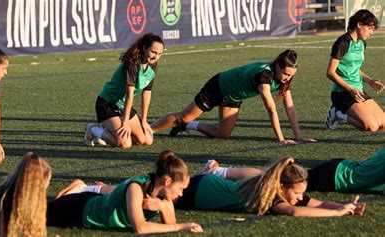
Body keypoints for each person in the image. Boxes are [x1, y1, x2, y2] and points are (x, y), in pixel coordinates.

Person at [150, 50, 316, 144]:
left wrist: (298, 137)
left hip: (233, 97)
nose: (288, 78)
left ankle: (187, 126)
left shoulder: (283, 80)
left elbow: (290, 109)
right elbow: (271, 110)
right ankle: (148, 130)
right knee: (183, 116)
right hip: (218, 87)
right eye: (286, 74)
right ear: (277, 66)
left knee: (223, 134)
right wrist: (281, 139)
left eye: (291, 75)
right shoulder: (264, 75)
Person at [46, 150, 203, 234]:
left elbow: (170, 224)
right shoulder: (136, 188)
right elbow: (140, 228)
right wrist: (181, 226)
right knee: (30, 214)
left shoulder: (165, 195)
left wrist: (162, 207)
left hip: (90, 204)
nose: (181, 194)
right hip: (79, 210)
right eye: (181, 188)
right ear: (167, 181)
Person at [176, 157, 365, 217]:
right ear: (282, 186)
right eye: (297, 192)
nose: (300, 197)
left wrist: (344, 207)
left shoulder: (283, 191)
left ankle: (216, 170)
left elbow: (315, 203)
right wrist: (336, 213)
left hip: (208, 185)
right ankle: (216, 170)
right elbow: (293, 212)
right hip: (199, 192)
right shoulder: (273, 196)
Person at [84, 33, 164, 148]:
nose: (155, 57)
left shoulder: (153, 66)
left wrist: (144, 120)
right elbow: (129, 95)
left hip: (123, 105)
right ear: (145, 48)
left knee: (146, 140)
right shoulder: (133, 64)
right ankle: (93, 130)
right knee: (124, 143)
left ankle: (112, 129)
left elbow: (147, 93)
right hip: (107, 103)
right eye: (153, 52)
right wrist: (126, 122)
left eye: (159, 54)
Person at [203, 145, 385, 195]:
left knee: (276, 177)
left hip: (340, 170)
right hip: (336, 176)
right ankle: (217, 171)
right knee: (274, 179)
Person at [324, 9, 384, 131]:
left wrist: (370, 81)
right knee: (371, 126)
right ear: (359, 24)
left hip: (358, 91)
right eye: (370, 28)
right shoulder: (342, 42)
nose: (371, 32)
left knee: (382, 124)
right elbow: (330, 73)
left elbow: (354, 68)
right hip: (342, 93)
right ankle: (338, 114)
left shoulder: (362, 43)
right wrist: (350, 89)